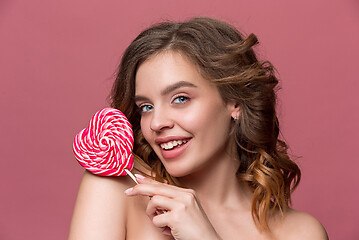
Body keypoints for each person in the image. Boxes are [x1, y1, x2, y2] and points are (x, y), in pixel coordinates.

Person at [69, 17, 328, 239]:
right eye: (146, 107)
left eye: (180, 99)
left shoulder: (302, 232)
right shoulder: (118, 190)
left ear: (234, 102)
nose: (157, 123)